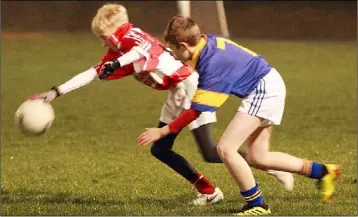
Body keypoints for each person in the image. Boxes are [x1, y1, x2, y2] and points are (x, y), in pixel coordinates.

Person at [30, 3, 293, 206]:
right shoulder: (117, 51)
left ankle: (267, 165)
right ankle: (210, 192)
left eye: (103, 36)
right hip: (176, 92)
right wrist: (55, 92)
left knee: (213, 153)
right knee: (160, 149)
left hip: (188, 87)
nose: (103, 42)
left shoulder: (131, 36)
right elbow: (91, 73)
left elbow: (142, 51)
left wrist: (118, 62)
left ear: (114, 31)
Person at [136, 16, 340, 215]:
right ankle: (324, 172)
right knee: (257, 157)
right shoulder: (207, 42)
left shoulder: (211, 64)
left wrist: (163, 130)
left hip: (264, 90)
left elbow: (196, 111)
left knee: (225, 149)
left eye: (172, 48)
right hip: (269, 83)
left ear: (183, 45)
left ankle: (257, 205)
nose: (171, 53)